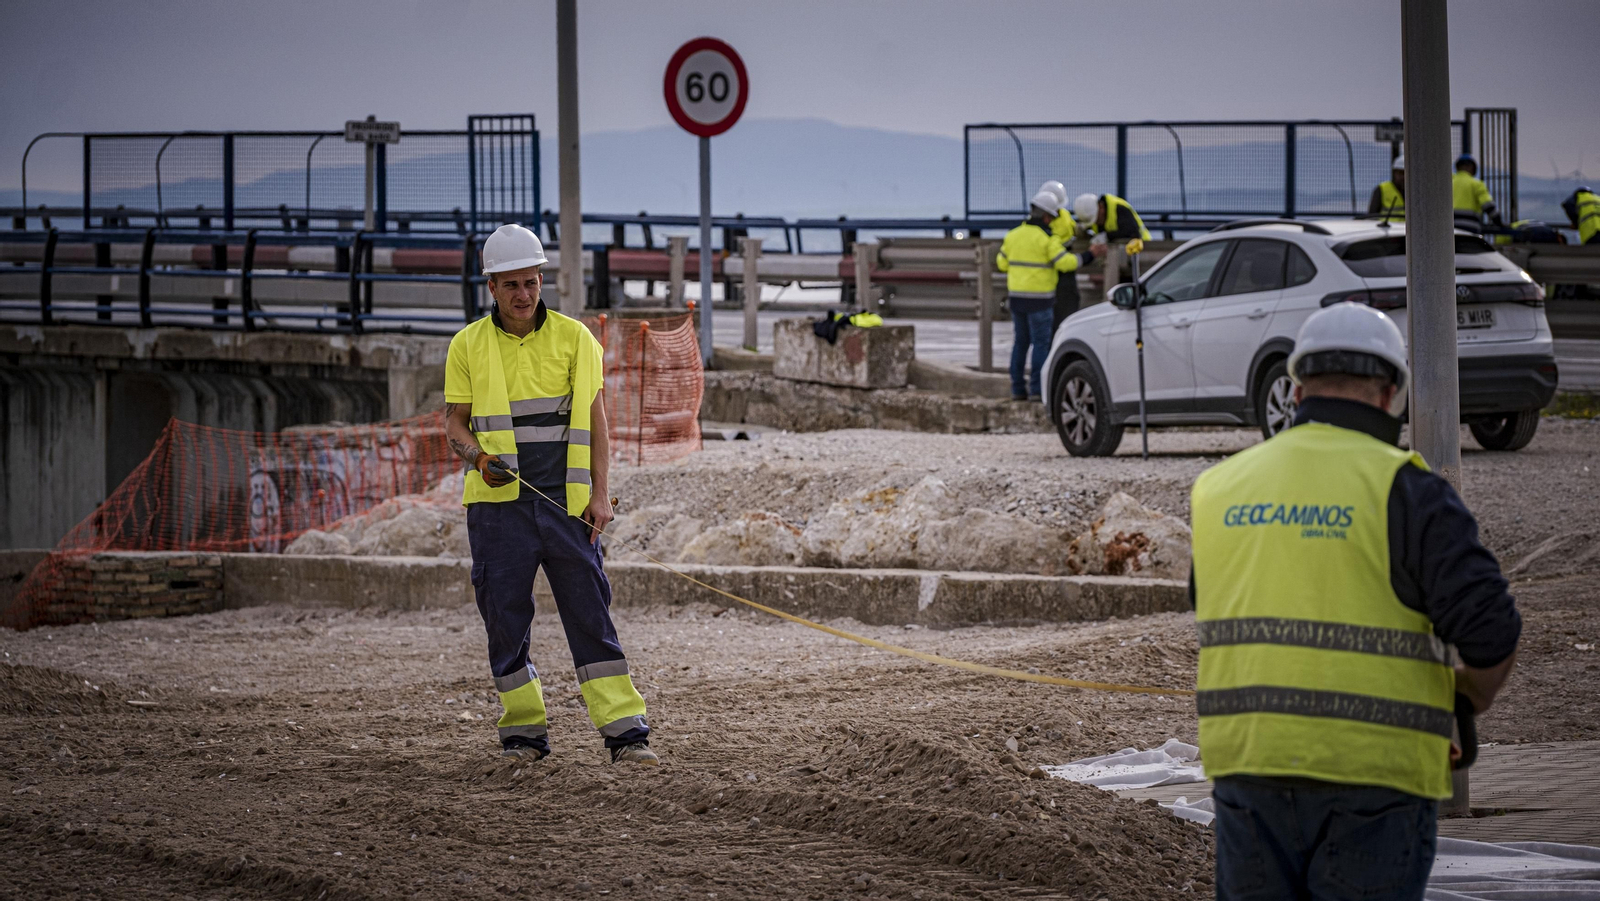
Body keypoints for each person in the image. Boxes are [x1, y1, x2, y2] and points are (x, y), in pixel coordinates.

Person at [1190, 302, 1521, 901]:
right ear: (1392, 394)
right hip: (1376, 781)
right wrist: (1467, 697)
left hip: (1249, 770)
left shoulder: (1219, 489)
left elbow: (1216, 602)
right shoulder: (1409, 491)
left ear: (1296, 391)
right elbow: (1492, 632)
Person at [443, 223, 657, 766]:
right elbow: (455, 423)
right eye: (511, 284)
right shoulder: (467, 345)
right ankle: (523, 736)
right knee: (505, 621)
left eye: (531, 282)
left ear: (542, 281)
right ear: (491, 287)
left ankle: (626, 734)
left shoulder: (576, 339)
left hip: (569, 507)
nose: (523, 294)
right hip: (497, 512)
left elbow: (597, 421)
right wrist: (479, 459)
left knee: (590, 616)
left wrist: (602, 495)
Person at [997, 191, 1093, 401]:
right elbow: (1065, 263)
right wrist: (1090, 255)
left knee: (1020, 343)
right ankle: (1037, 389)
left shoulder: (1013, 235)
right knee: (1041, 344)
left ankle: (1017, 389)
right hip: (1040, 301)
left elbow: (1001, 263)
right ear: (1048, 217)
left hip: (1017, 299)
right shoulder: (1048, 239)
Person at [1073, 192, 1150, 288]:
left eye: (1096, 219)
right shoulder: (1096, 214)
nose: (1096, 223)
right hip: (1118, 259)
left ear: (1101, 207)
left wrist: (1106, 236)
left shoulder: (1119, 208)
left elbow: (1132, 232)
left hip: (1142, 252)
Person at [1038, 181, 1083, 331]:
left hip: (1047, 275)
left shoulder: (1040, 222)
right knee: (1066, 318)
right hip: (1065, 274)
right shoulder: (1065, 217)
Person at [1452, 153, 1500, 232]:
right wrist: (1498, 222)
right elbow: (1488, 205)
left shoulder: (1449, 183)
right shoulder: (1476, 184)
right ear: (1472, 167)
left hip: (1451, 229)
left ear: (1457, 167)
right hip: (1470, 228)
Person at [1368, 154, 1406, 221]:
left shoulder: (1415, 192)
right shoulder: (1381, 189)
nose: (1403, 177)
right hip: (1387, 227)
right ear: (1394, 173)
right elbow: (1372, 216)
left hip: (1409, 227)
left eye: (1406, 173)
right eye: (1401, 173)